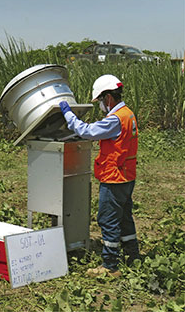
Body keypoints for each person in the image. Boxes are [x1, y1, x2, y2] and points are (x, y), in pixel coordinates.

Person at [59, 74, 140, 278]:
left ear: (108, 98)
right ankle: (133, 256)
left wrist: (68, 114)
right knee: (124, 218)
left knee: (108, 219)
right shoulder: (128, 114)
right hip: (127, 176)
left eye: (100, 101)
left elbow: (86, 131)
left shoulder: (114, 119)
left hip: (114, 178)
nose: (101, 106)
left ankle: (110, 265)